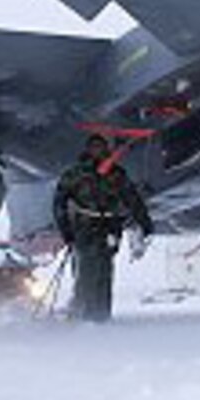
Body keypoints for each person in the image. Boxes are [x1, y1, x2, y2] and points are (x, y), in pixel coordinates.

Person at [53, 133, 154, 322]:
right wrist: (66, 231)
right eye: (94, 147)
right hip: (84, 227)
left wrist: (144, 222)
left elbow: (132, 199)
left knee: (105, 272)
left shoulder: (116, 173)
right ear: (88, 149)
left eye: (101, 147)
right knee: (87, 271)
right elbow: (59, 202)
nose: (97, 151)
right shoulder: (75, 174)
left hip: (109, 227)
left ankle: (101, 316)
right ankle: (84, 314)